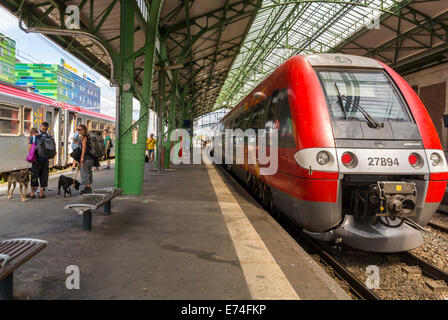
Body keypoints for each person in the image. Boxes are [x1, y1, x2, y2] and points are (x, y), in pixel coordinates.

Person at [29, 122, 50, 199]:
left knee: (34, 176)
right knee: (44, 176)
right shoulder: (48, 136)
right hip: (45, 160)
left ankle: (32, 193)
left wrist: (31, 157)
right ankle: (41, 194)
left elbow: (30, 148)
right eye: (43, 129)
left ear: (40, 126)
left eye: (45, 129)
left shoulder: (34, 136)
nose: (44, 130)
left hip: (36, 160)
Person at [78, 124, 95, 195]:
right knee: (88, 172)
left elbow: (84, 147)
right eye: (77, 129)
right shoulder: (88, 136)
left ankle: (87, 188)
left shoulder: (84, 137)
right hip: (91, 158)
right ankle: (88, 187)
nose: (78, 131)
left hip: (86, 158)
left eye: (79, 129)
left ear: (83, 130)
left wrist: (82, 157)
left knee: (84, 173)